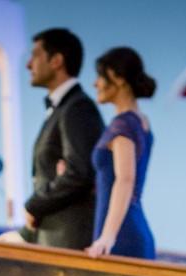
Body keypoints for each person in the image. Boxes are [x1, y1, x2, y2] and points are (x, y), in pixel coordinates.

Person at [22, 28, 104, 251]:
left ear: (57, 60)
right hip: (51, 238)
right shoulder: (65, 108)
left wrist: (34, 206)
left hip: (67, 241)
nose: (29, 65)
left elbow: (79, 172)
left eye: (35, 56)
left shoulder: (78, 107)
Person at [86, 47, 157, 260]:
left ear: (118, 78)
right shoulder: (142, 123)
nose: (95, 83)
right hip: (131, 228)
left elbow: (125, 179)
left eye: (100, 75)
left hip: (121, 234)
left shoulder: (123, 125)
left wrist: (107, 236)